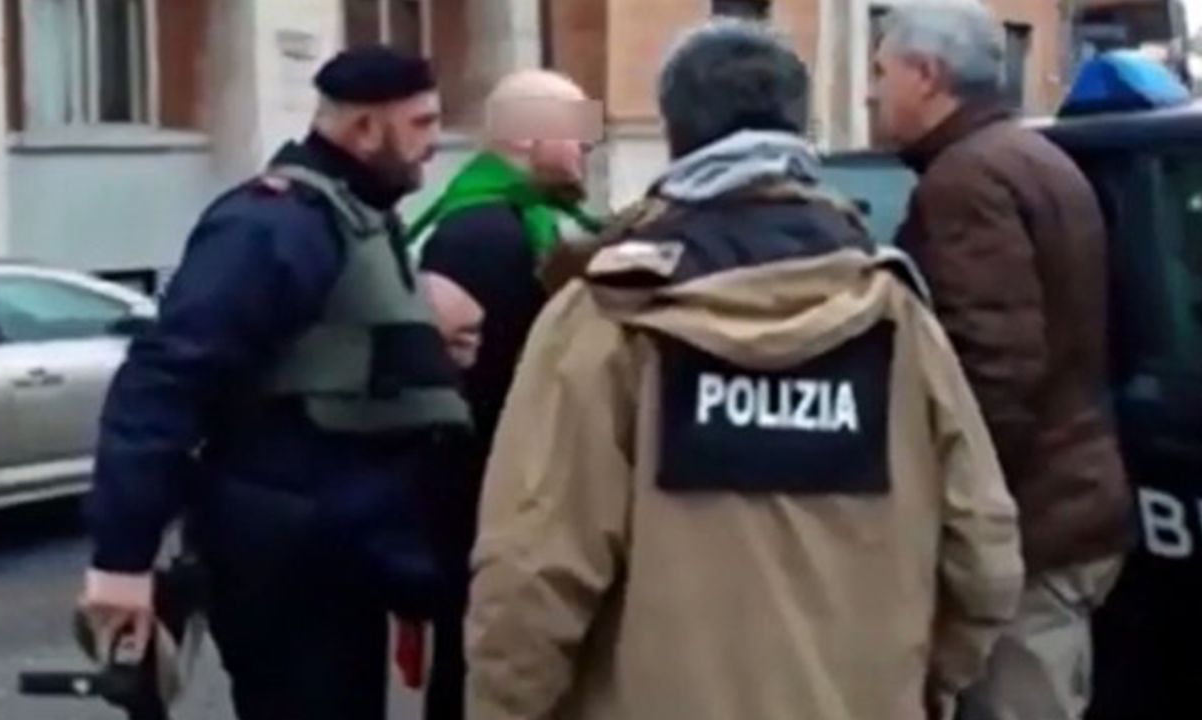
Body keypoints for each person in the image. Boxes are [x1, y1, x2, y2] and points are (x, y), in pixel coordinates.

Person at [464, 19, 1024, 720]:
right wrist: (916, 684)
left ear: (675, 133)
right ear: (801, 127)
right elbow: (986, 555)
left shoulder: (605, 321)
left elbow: (529, 578)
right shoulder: (896, 320)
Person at [77, 46, 473, 720]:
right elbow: (164, 382)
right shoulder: (270, 224)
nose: (434, 143)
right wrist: (122, 559)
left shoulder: (351, 215)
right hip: (288, 560)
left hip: (340, 551)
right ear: (365, 129)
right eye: (421, 123)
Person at [870, 2, 1134, 718]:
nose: (871, 91)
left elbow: (992, 371)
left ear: (926, 75)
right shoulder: (1034, 158)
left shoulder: (966, 182)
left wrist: (955, 514)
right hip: (1069, 499)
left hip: (1030, 525)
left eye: (880, 70)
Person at [403, 68, 602, 720]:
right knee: (474, 665)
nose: (588, 149)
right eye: (576, 135)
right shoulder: (479, 234)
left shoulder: (534, 223)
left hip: (511, 490)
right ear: (525, 140)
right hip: (483, 497)